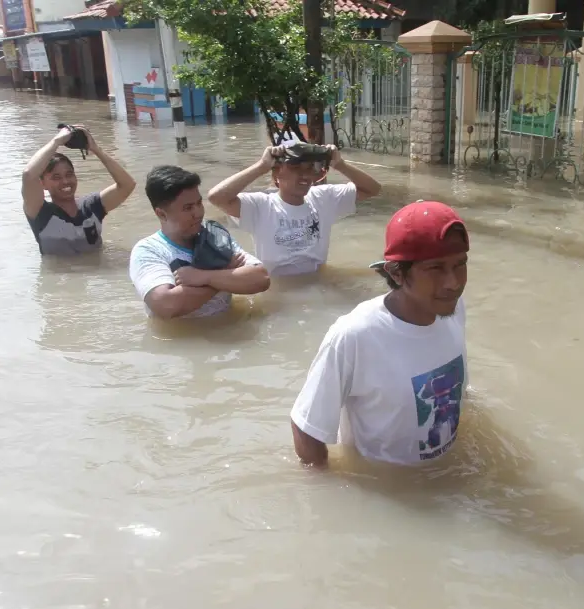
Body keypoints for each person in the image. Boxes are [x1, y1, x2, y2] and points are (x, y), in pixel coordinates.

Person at [290, 200, 469, 467]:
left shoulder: (452, 309)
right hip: (391, 491)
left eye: (460, 265)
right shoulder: (355, 336)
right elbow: (307, 427)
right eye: (435, 268)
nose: (453, 283)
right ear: (396, 273)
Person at [207, 141, 381, 276]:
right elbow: (216, 197)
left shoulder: (323, 198)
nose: (304, 175)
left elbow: (373, 189)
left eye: (309, 169)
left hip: (317, 282)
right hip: (278, 289)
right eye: (295, 168)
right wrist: (261, 166)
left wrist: (340, 164)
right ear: (277, 174)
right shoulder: (260, 206)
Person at [129, 165, 271, 320]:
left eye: (199, 203)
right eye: (188, 208)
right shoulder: (149, 250)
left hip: (229, 332)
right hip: (184, 340)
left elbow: (261, 279)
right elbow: (166, 304)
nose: (198, 213)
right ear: (162, 214)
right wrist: (226, 273)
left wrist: (204, 277)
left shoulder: (214, 235)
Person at [21, 126, 136, 256]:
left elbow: (127, 185)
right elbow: (28, 175)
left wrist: (96, 149)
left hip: (97, 274)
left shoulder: (91, 207)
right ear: (43, 184)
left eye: (69, 174)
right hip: (61, 275)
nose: (65, 181)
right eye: (56, 177)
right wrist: (56, 141)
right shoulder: (40, 213)